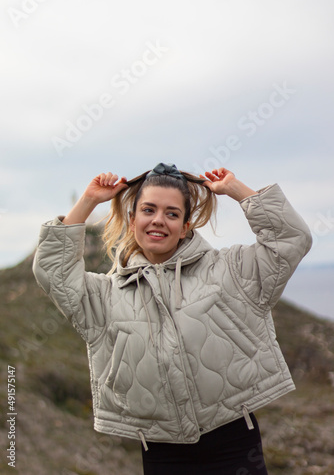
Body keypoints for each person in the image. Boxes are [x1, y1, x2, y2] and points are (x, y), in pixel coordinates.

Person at [32, 163, 312, 474]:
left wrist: (235, 189)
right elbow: (53, 273)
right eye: (148, 210)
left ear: (186, 225)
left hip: (234, 444)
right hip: (161, 454)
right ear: (132, 218)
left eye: (172, 213)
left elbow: (289, 239)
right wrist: (88, 200)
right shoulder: (104, 296)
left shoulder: (230, 270)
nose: (158, 221)